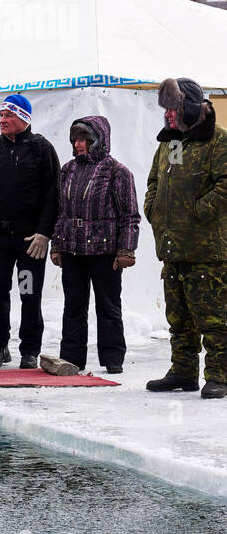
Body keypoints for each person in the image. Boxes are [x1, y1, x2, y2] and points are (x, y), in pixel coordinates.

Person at [144, 78, 227, 398]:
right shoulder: (169, 143)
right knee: (178, 316)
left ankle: (219, 374)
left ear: (190, 108)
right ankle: (183, 371)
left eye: (174, 108)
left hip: (207, 249)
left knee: (213, 317)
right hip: (172, 246)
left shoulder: (218, 142)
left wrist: (198, 211)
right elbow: (154, 181)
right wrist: (154, 208)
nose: (168, 115)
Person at [0, 94, 60, 369]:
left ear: (24, 118)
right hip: (0, 239)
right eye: (1, 116)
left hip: (30, 241)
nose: (2, 121)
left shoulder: (42, 149)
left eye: (9, 116)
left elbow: (53, 195)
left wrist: (45, 232)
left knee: (28, 292)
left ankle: (29, 349)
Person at [49, 116, 139, 375]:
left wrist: (126, 249)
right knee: (73, 305)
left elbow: (130, 215)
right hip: (72, 249)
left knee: (108, 305)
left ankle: (113, 357)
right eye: (75, 139)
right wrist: (57, 245)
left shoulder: (117, 171)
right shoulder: (67, 170)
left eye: (84, 140)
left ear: (98, 140)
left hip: (105, 251)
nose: (78, 144)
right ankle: (71, 356)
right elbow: (60, 212)